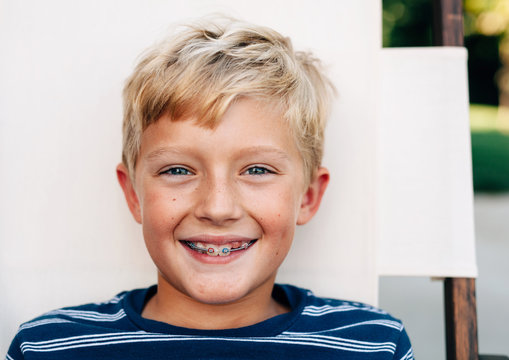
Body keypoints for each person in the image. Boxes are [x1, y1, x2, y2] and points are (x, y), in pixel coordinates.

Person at [6, 18, 414, 360]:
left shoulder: (372, 344)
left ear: (307, 196)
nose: (218, 208)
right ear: (133, 194)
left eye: (256, 169)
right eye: (178, 169)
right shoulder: (49, 347)